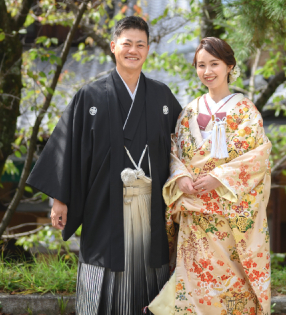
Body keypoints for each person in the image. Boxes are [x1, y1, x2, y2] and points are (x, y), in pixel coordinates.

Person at [27, 16, 182, 315]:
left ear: (148, 50)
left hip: (152, 207)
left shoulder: (162, 96)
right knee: (101, 268)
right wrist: (59, 199)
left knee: (151, 269)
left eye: (140, 44)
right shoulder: (90, 96)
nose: (133, 50)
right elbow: (68, 149)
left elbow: (182, 149)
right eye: (127, 44)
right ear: (113, 47)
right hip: (104, 205)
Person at [161, 37, 271, 315]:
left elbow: (257, 158)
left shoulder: (246, 111)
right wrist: (180, 176)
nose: (207, 71)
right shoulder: (188, 112)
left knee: (229, 283)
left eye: (214, 64)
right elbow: (174, 152)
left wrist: (219, 177)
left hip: (227, 215)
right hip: (193, 212)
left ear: (229, 66)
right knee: (192, 283)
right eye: (201, 65)